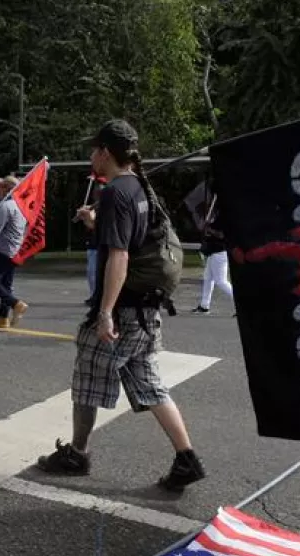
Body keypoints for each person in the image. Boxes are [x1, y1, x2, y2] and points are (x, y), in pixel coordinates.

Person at [37, 119, 205, 492]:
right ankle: (186, 458)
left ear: (106, 153)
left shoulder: (115, 192)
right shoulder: (140, 187)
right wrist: (95, 223)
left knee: (86, 379)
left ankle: (77, 454)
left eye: (94, 149)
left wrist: (105, 313)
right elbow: (135, 238)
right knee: (149, 384)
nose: (90, 155)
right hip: (147, 313)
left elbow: (120, 256)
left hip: (126, 310)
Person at [0, 175, 29, 329]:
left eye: (1, 187)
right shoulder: (21, 206)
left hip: (2, 249)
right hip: (16, 249)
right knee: (6, 284)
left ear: (6, 189)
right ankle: (3, 318)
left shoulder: (5, 206)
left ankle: (16, 304)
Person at [192, 201, 234, 315]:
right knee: (208, 278)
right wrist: (205, 227)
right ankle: (204, 306)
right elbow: (204, 231)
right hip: (212, 252)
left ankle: (241, 304)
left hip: (220, 252)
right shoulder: (212, 220)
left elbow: (221, 235)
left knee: (221, 281)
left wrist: (209, 229)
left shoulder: (222, 219)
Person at [77, 175, 106, 305]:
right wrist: (82, 215)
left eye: (99, 189)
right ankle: (94, 294)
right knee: (91, 273)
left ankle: (98, 296)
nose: (97, 191)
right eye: (95, 189)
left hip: (100, 244)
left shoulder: (105, 208)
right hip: (92, 244)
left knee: (96, 273)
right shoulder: (92, 207)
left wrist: (88, 218)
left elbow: (95, 226)